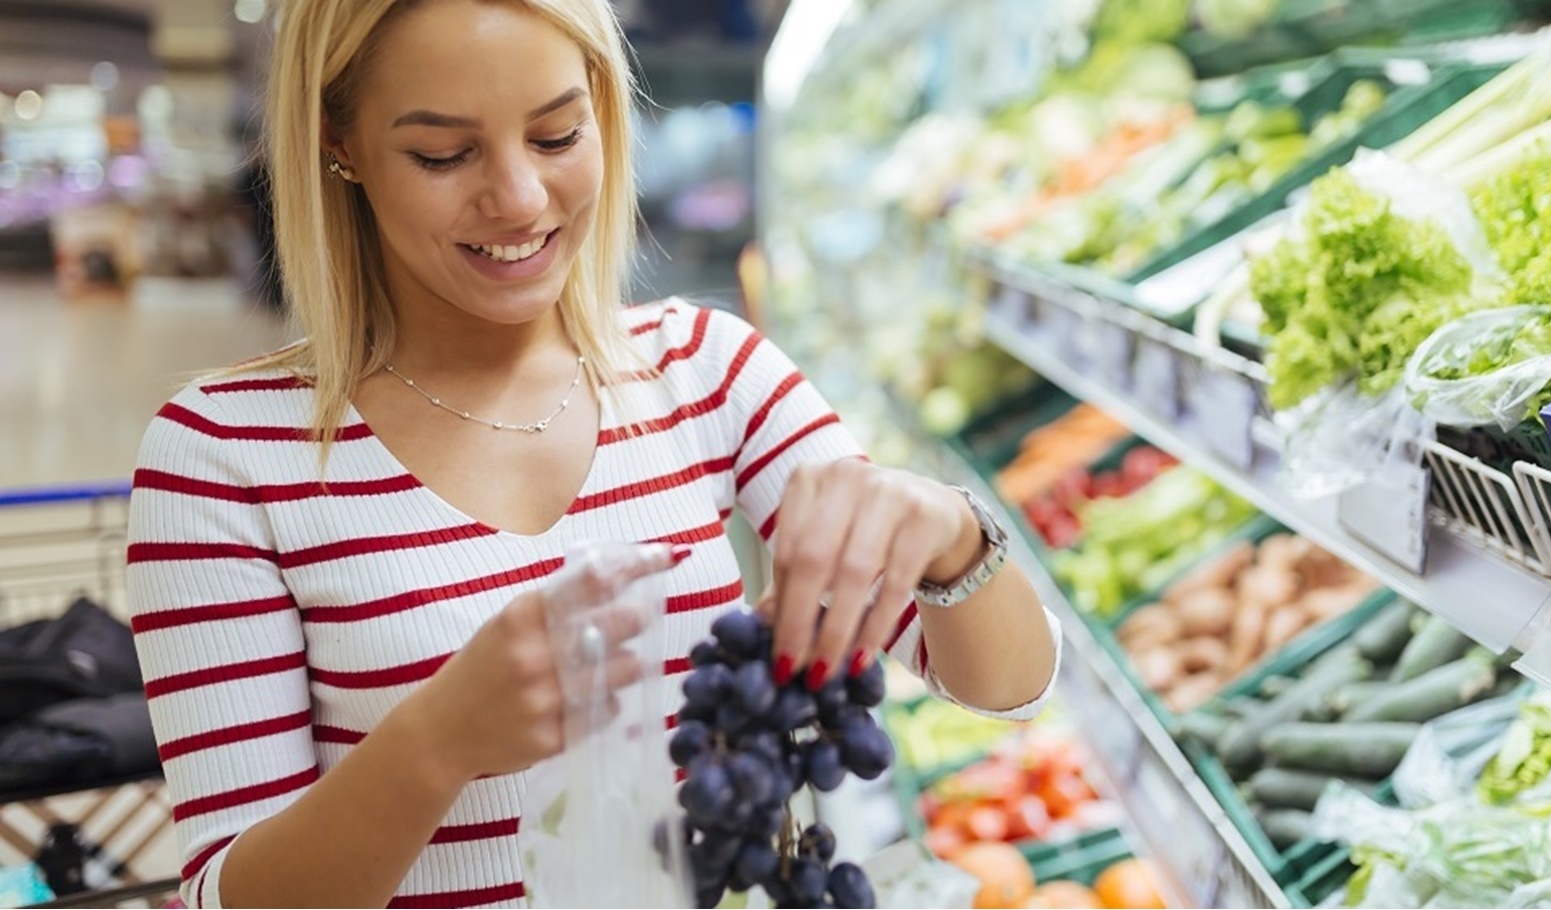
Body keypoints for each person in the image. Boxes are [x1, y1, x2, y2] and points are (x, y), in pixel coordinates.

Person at [124, 1, 1061, 907]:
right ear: (340, 143)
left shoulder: (705, 370)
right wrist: (437, 743)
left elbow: (1010, 688)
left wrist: (946, 536)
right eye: (442, 153)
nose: (519, 198)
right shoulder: (224, 457)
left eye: (558, 136)